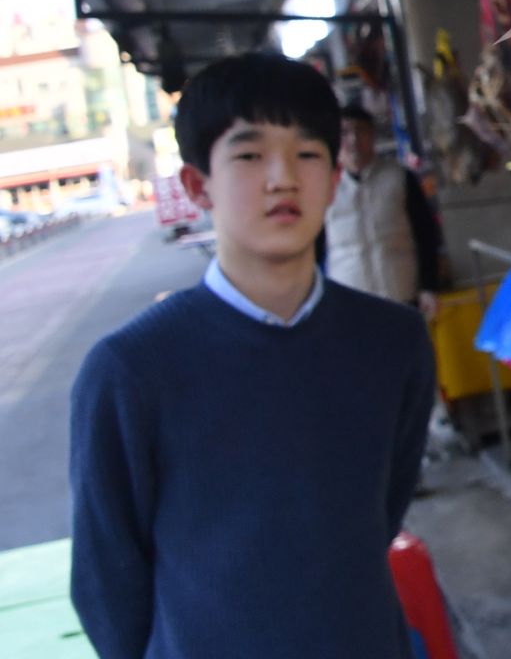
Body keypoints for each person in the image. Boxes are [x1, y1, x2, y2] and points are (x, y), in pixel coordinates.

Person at [69, 53, 435, 659]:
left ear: (335, 177)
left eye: (307, 153)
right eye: (248, 154)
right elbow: (107, 580)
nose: (281, 178)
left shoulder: (393, 343)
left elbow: (381, 511)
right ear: (196, 185)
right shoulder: (130, 371)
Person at [326, 103, 444, 315]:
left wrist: (428, 286)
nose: (353, 140)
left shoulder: (399, 178)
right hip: (348, 303)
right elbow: (310, 250)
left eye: (360, 131)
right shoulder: (323, 187)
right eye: (344, 132)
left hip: (400, 295)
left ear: (372, 134)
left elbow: (425, 234)